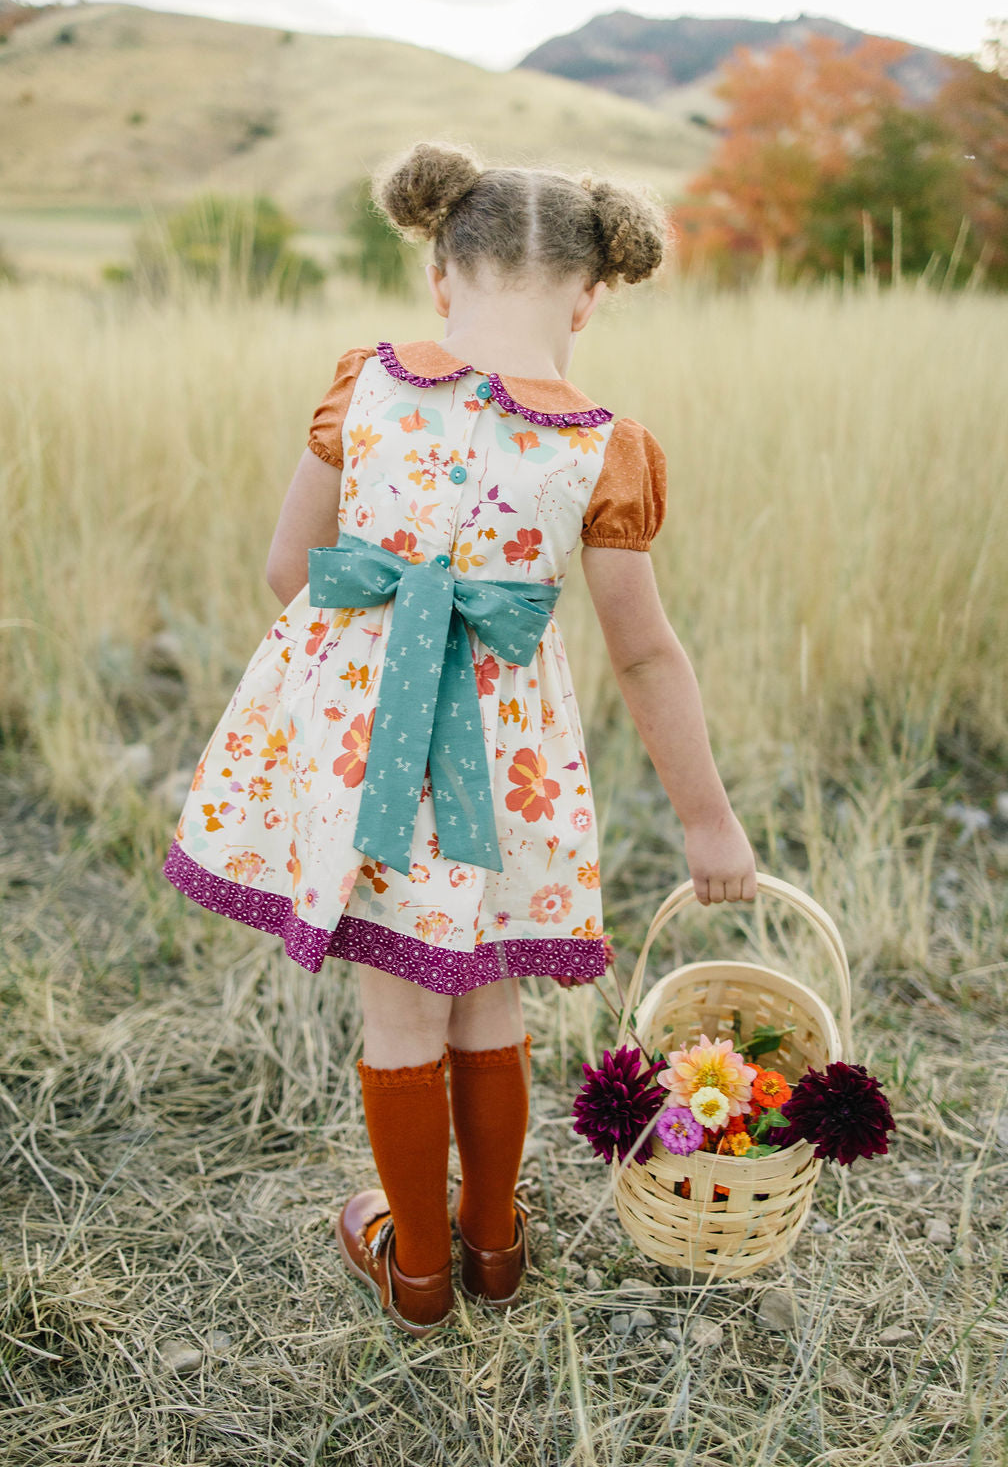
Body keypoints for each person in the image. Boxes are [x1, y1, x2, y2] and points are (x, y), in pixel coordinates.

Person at [162, 140, 757, 1338]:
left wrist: (365, 649)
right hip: (507, 764)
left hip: (368, 748)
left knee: (400, 1017)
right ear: (591, 297)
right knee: (486, 998)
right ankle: (494, 1243)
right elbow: (645, 650)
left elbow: (289, 570)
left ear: (442, 273)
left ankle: (417, 1274)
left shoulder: (365, 386)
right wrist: (707, 817)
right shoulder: (604, 446)